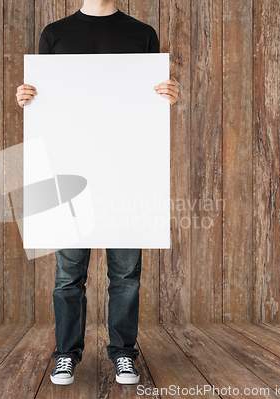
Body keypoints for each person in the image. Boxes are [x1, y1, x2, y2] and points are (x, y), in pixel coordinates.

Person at [16, 0, 179, 387]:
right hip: (70, 169)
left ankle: (124, 354)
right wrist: (28, 97)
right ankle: (65, 356)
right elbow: (49, 103)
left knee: (126, 275)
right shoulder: (54, 34)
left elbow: (146, 102)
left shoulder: (143, 34)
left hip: (126, 169)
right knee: (68, 275)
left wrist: (169, 95)